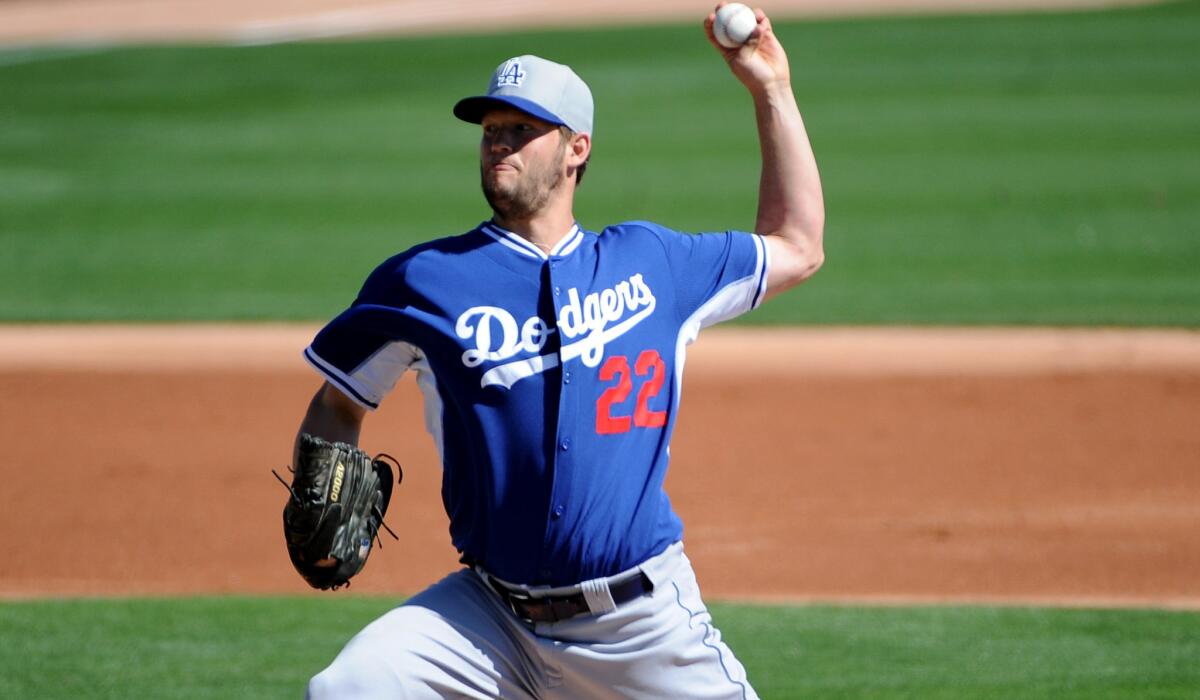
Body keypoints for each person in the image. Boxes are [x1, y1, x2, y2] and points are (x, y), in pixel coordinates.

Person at [297, 4, 823, 698]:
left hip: (640, 626)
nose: (499, 144)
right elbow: (341, 397)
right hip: (489, 620)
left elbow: (797, 245)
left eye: (521, 129)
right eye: (490, 130)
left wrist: (771, 90)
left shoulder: (652, 264)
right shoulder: (424, 280)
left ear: (577, 148)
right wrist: (320, 471)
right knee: (350, 687)